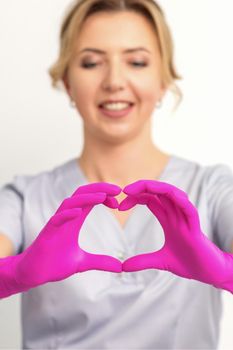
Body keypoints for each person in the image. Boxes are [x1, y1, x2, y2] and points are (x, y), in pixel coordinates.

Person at [0, 0, 233, 348]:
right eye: (91, 62)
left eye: (136, 62)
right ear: (67, 82)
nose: (114, 81)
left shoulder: (213, 189)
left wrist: (225, 271)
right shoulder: (24, 198)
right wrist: (14, 274)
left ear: (163, 80)